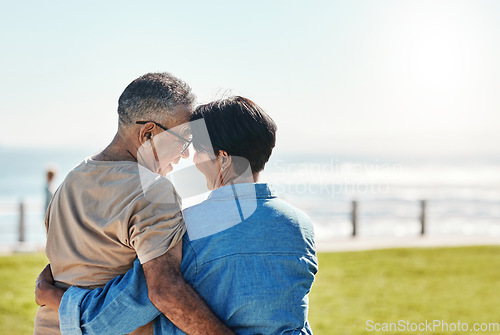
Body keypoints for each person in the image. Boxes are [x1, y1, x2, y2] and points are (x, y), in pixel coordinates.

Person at [36, 96, 318, 334]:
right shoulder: (300, 227)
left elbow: (119, 312)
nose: (192, 161)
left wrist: (56, 298)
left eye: (197, 152)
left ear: (222, 158)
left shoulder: (190, 227)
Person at [34, 72, 233, 335]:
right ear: (149, 133)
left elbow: (62, 266)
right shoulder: (153, 191)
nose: (185, 153)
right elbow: (166, 291)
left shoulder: (69, 181)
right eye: (184, 139)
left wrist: (47, 294)